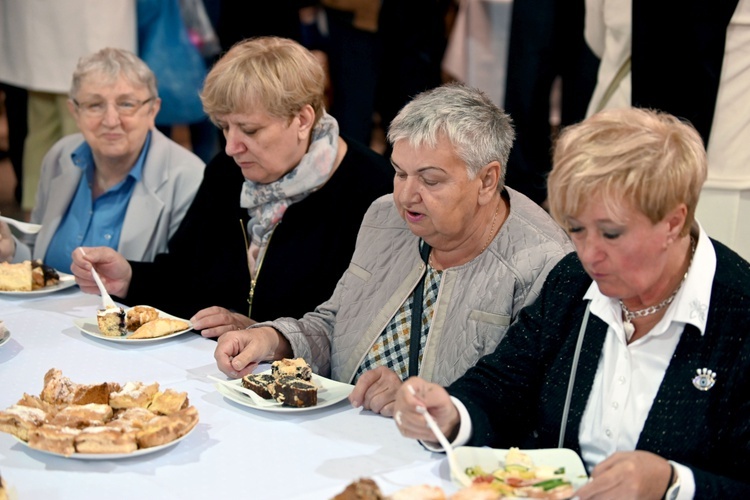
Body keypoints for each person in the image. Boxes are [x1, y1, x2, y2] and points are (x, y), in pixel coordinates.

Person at [393, 108, 750, 498]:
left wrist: (672, 484)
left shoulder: (738, 315)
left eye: (611, 233)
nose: (589, 254)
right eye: (576, 229)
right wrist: (451, 416)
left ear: (673, 222)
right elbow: (503, 385)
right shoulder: (572, 282)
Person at [214, 83, 574, 417]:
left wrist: (416, 403)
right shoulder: (385, 216)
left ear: (487, 180)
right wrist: (273, 339)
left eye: (430, 180)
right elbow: (337, 323)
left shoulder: (543, 265)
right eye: (400, 173)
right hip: (339, 427)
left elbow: (524, 406)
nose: (405, 196)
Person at [70, 37, 394, 333]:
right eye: (224, 127)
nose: (231, 146)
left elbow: (361, 329)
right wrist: (130, 278)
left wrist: (268, 334)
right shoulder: (228, 171)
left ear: (303, 119)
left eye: (249, 130)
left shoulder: (371, 190)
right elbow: (186, 274)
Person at [1, 48, 204, 273]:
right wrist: (10, 251)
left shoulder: (189, 178)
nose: (110, 120)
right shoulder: (60, 156)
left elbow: (187, 282)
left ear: (152, 110)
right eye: (95, 105)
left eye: (126, 104)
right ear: (75, 112)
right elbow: (37, 261)